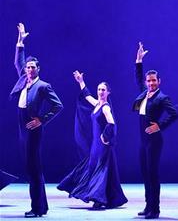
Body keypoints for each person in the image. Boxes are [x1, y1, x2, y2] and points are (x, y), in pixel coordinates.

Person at [9, 23, 63, 218]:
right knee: (30, 167)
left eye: (32, 67)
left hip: (32, 125)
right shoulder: (23, 79)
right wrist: (20, 41)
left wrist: (42, 119)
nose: (29, 69)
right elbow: (18, 62)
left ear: (38, 69)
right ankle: (42, 207)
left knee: (33, 168)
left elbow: (58, 105)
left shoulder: (43, 86)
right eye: (28, 67)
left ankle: (37, 208)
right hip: (21, 123)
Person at [57, 71, 128, 209]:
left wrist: (105, 136)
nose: (100, 92)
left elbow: (112, 123)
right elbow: (87, 95)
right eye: (99, 89)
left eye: (103, 90)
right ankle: (103, 197)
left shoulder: (106, 107)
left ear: (108, 92)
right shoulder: (97, 104)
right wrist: (81, 82)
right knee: (93, 168)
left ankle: (98, 198)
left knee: (101, 171)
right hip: (95, 145)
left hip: (102, 145)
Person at [133, 42, 178, 219]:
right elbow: (138, 78)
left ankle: (155, 209)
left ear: (159, 82)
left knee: (153, 174)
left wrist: (159, 125)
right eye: (149, 80)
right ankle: (148, 205)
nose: (151, 83)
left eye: (154, 80)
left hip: (154, 141)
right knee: (145, 173)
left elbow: (174, 114)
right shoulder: (144, 93)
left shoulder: (162, 97)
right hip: (143, 141)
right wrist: (138, 61)